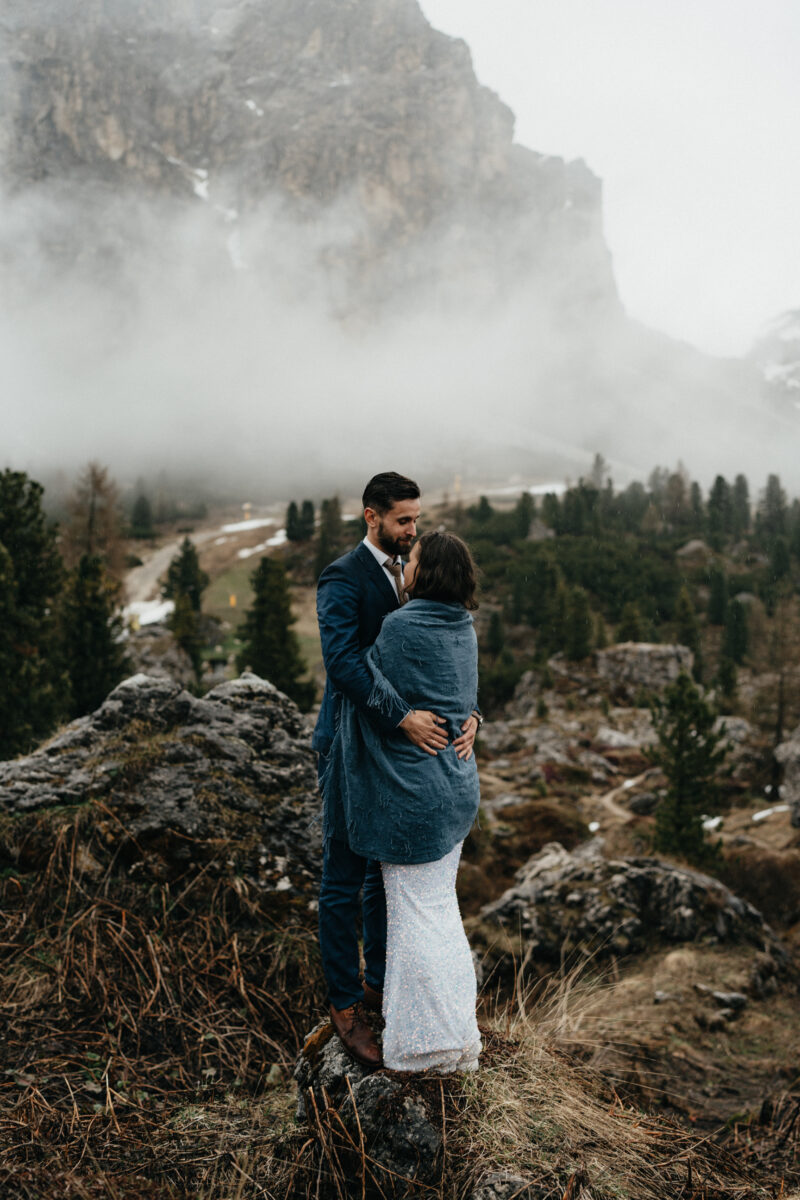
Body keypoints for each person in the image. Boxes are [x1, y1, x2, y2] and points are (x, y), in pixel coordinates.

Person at [313, 474, 479, 1068]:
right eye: (403, 521)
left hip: (397, 762)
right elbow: (343, 665)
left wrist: (469, 714)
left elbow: (441, 659)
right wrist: (404, 718)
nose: (413, 531)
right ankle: (343, 1005)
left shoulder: (420, 578)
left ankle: (384, 990)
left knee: (380, 882)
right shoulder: (342, 578)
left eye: (416, 520)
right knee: (342, 879)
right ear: (371, 517)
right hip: (348, 748)